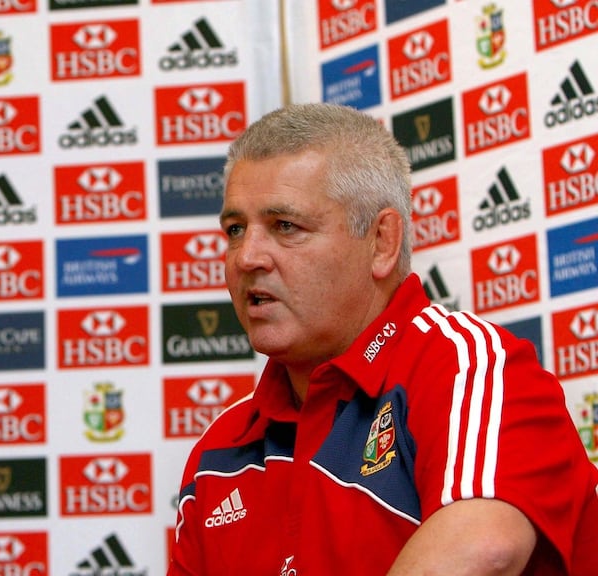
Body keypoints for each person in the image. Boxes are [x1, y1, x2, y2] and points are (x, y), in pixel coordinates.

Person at [167, 102, 598, 576]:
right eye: (235, 229)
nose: (247, 257)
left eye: (285, 226)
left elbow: (484, 551)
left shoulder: (466, 367)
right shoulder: (219, 447)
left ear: (381, 242)